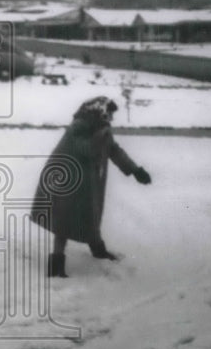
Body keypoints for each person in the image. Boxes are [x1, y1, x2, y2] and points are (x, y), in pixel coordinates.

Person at [31, 96, 152, 277]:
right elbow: (86, 149)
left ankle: (97, 249)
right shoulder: (79, 127)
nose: (111, 118)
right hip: (67, 181)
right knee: (64, 219)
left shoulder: (100, 128)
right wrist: (100, 136)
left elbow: (114, 150)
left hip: (87, 181)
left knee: (90, 213)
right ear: (101, 113)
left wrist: (135, 170)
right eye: (110, 114)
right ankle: (56, 262)